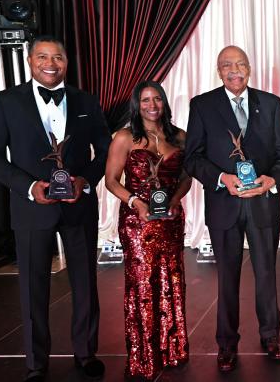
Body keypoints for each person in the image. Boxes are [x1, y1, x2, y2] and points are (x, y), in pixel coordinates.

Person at [0, 36, 110, 382]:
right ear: (29, 61)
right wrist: (27, 187)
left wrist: (86, 181)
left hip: (78, 206)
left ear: (67, 62)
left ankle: (86, 352)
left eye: (57, 57)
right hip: (31, 207)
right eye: (42, 56)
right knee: (33, 286)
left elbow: (106, 150)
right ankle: (37, 362)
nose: (50, 63)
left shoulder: (86, 100)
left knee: (85, 282)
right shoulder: (6, 102)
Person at [184, 45, 280, 372]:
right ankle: (226, 344)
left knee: (266, 275)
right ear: (219, 71)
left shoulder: (271, 104)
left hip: (262, 203)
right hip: (223, 204)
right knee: (226, 279)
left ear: (250, 68)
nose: (234, 70)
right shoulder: (202, 105)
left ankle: (271, 335)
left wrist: (270, 180)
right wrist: (221, 179)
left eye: (240, 64)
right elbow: (192, 158)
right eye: (227, 65)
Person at [104, 81, 192, 380]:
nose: (152, 105)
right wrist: (135, 202)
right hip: (137, 222)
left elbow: (185, 177)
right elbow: (112, 180)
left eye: (157, 99)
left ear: (164, 102)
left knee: (172, 279)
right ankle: (144, 355)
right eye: (145, 100)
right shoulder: (125, 137)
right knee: (143, 285)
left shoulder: (179, 136)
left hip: (170, 219)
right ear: (136, 104)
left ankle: (172, 348)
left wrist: (176, 201)